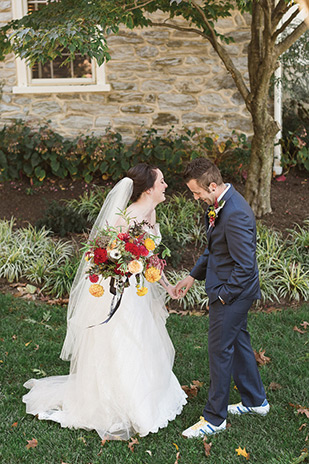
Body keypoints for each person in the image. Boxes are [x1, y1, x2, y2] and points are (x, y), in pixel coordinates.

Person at [23, 163, 187, 440]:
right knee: (124, 342)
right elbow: (104, 256)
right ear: (148, 188)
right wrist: (120, 269)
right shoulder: (126, 218)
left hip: (138, 291)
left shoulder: (151, 212)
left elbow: (148, 258)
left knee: (143, 340)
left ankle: (145, 395)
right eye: (162, 182)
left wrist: (167, 285)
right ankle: (121, 404)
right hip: (119, 294)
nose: (166, 186)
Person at [176, 158, 269, 438]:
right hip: (229, 290)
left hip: (233, 293)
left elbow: (245, 267)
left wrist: (223, 297)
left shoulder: (236, 213)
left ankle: (214, 419)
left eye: (197, 192)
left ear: (213, 186)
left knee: (219, 351)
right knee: (238, 343)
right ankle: (256, 401)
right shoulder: (220, 205)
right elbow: (216, 249)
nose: (196, 198)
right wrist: (193, 275)